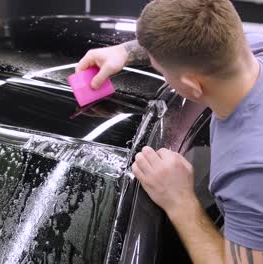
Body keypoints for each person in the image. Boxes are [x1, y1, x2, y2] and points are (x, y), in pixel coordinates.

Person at [76, 0, 263, 263]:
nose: (162, 75)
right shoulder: (250, 47)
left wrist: (180, 202)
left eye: (161, 71)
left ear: (191, 86)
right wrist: (124, 51)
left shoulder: (248, 172)